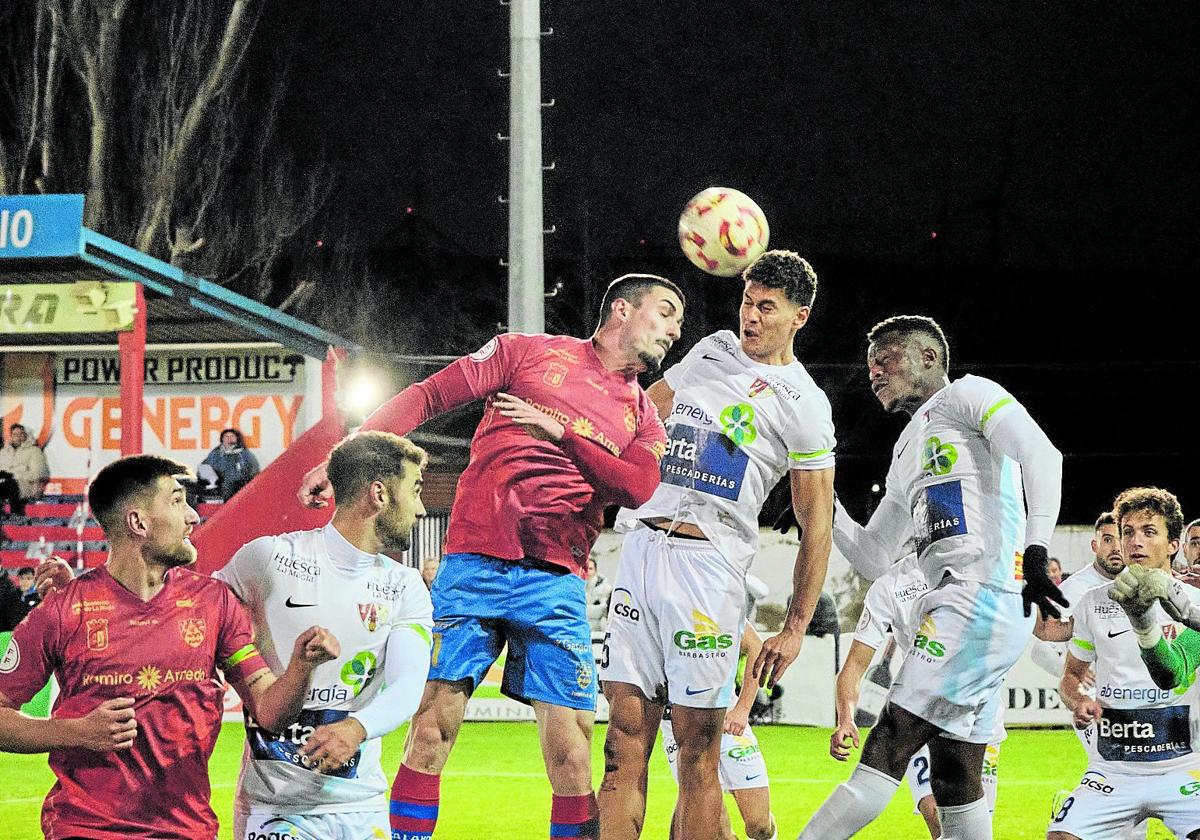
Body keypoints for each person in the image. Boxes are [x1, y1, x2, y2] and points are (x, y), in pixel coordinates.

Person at [298, 274, 684, 840]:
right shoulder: (526, 353)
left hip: (555, 578)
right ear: (622, 310)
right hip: (474, 562)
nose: (675, 330)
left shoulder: (644, 417)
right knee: (431, 730)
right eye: (667, 312)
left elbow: (638, 488)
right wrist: (344, 461)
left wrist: (563, 436)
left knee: (572, 755)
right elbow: (428, 396)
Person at [799, 315, 1064, 840]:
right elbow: (876, 556)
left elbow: (1043, 454)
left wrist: (1036, 549)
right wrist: (824, 505)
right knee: (954, 775)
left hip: (977, 597)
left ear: (928, 357)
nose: (873, 370)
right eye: (869, 361)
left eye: (886, 357)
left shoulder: (969, 395)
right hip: (961, 604)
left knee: (891, 739)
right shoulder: (905, 449)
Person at [600, 251, 835, 839]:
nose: (749, 317)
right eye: (745, 302)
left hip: (708, 569)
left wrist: (797, 624)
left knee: (698, 752)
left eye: (766, 308)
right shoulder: (711, 350)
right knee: (623, 738)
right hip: (640, 550)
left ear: (798, 318)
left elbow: (817, 524)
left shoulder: (805, 404)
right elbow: (637, 412)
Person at [0, 455, 338, 840]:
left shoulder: (214, 603)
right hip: (85, 829)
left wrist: (301, 667)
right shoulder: (64, 610)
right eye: (177, 501)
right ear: (138, 522)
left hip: (188, 830)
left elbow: (269, 712)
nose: (193, 517)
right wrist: (75, 731)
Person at [215, 431, 434, 840]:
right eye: (415, 490)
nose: (421, 508)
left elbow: (407, 686)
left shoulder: (405, 586)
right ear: (379, 494)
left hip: (360, 806)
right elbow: (194, 611)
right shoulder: (269, 558)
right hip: (274, 808)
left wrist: (357, 728)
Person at [1050, 486, 1200, 840]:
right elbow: (1070, 677)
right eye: (1128, 532)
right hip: (1112, 772)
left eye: (1149, 532)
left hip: (1185, 769)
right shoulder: (1092, 603)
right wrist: (1078, 700)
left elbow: (1171, 673)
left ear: (1173, 544)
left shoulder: (1195, 604)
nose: (1135, 542)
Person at [833, 554, 1003, 839]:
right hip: (918, 713)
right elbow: (854, 666)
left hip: (977, 715)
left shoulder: (980, 564)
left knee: (969, 831)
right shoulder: (889, 585)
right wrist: (846, 718)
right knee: (936, 814)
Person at [659, 622, 777, 840]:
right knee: (716, 830)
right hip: (679, 729)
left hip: (727, 723)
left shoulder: (720, 604)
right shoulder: (656, 607)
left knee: (759, 827)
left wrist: (742, 710)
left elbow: (756, 646)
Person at [0, 424, 50, 515]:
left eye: (21, 434)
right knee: (6, 484)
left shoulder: (34, 451)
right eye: (15, 434)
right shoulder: (3, 452)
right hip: (6, 485)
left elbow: (40, 474)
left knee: (11, 484)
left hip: (27, 486)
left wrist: (14, 475)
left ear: (26, 435)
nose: (18, 437)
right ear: (11, 436)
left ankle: (15, 515)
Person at [200, 428, 260, 502]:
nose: (229, 439)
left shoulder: (244, 455)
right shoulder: (215, 454)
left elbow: (252, 472)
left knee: (228, 486)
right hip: (218, 485)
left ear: (237, 438)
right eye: (226, 437)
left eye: (232, 436)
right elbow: (205, 467)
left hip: (238, 487)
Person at [584, 557, 613, 635]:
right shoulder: (577, 586)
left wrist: (584, 609)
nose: (587, 571)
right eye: (585, 568)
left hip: (599, 631)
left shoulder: (606, 588)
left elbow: (603, 611)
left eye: (590, 568)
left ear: (595, 570)